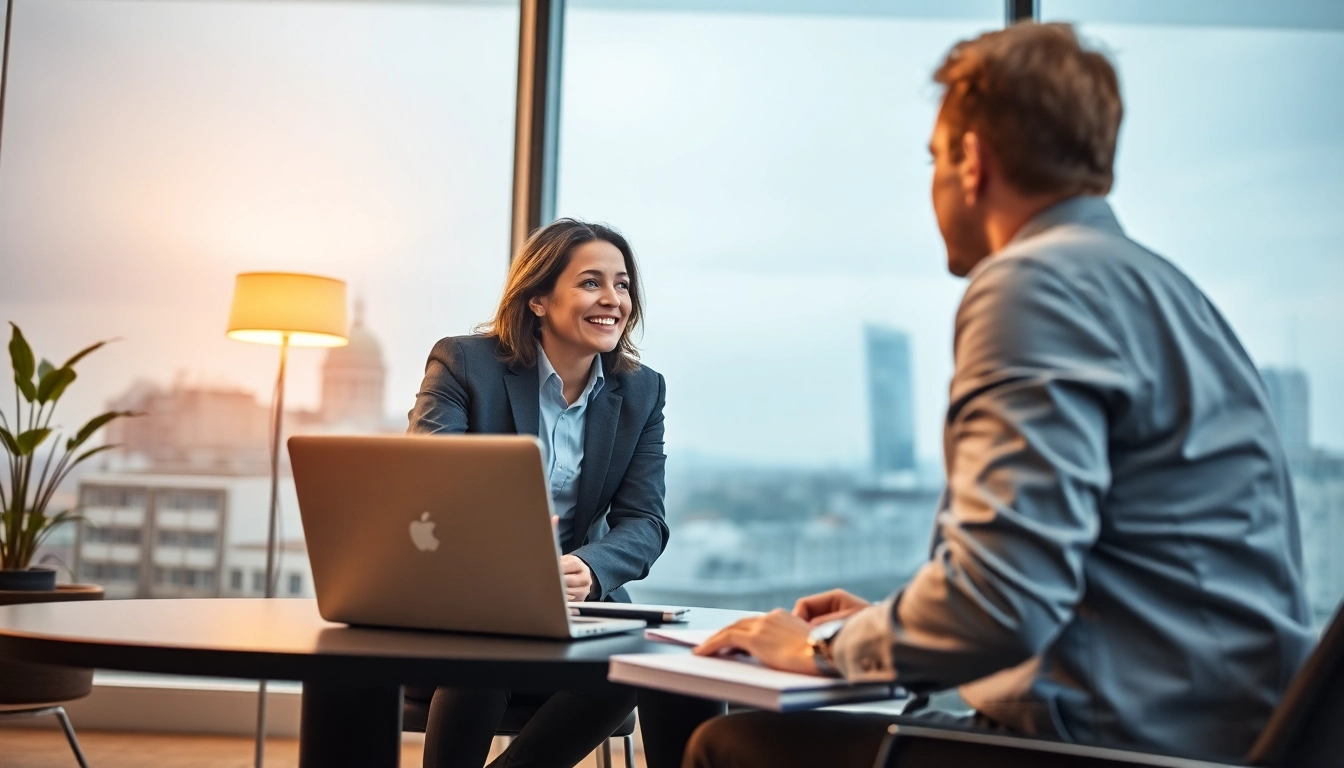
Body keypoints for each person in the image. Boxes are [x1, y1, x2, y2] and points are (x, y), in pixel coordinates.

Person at [679, 22, 1315, 768]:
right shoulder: (1169, 291)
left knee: (728, 747)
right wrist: (892, 622)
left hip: (1110, 750)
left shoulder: (1034, 284)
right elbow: (1076, 575)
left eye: (932, 159)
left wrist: (826, 645)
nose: (933, 183)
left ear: (971, 162)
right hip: (1226, 738)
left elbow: (1004, 604)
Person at [406, 218, 669, 768]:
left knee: (630, 669)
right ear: (538, 299)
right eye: (591, 282)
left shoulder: (641, 390)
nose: (613, 300)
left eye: (622, 285)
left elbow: (645, 521)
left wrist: (589, 568)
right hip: (471, 602)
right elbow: (431, 480)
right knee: (483, 660)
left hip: (576, 606)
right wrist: (513, 565)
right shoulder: (463, 363)